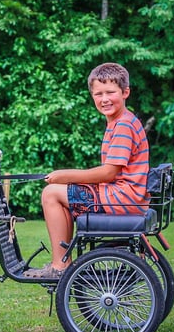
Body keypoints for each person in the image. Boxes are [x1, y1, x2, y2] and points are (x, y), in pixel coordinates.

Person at [23, 62, 150, 279]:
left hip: (121, 199)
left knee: (51, 193)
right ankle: (63, 262)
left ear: (125, 92)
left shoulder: (123, 126)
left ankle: (60, 267)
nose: (104, 99)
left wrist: (64, 175)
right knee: (60, 192)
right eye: (98, 94)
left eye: (110, 92)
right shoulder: (119, 122)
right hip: (121, 196)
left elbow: (109, 173)